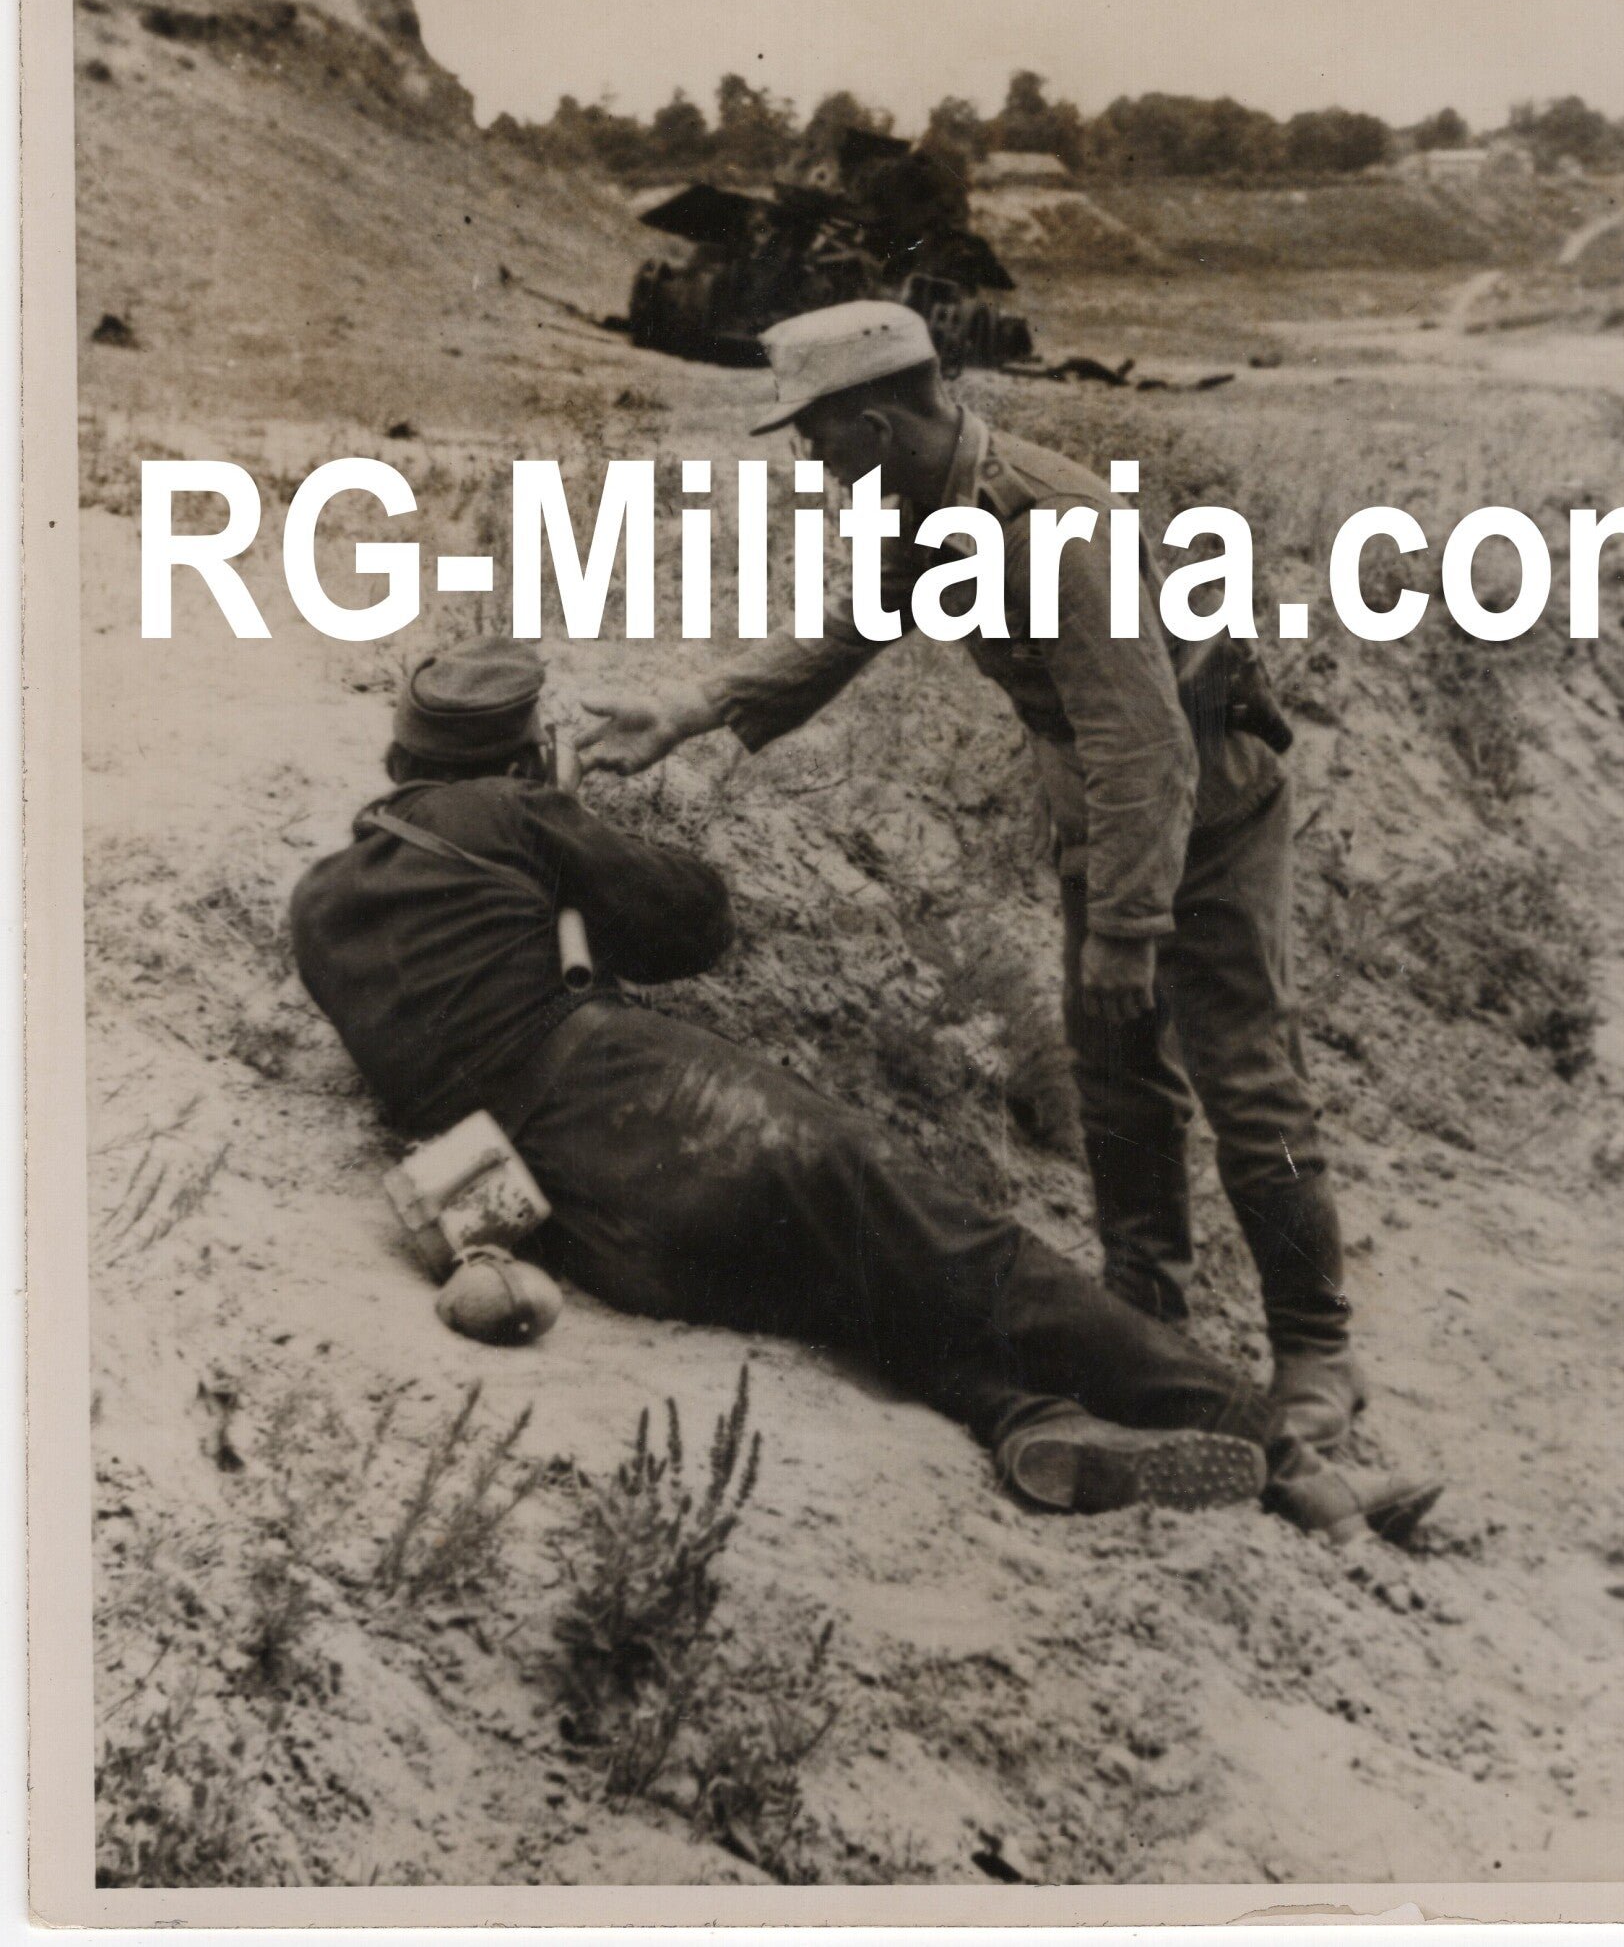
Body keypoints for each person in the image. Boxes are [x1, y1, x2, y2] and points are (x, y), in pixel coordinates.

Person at [290, 637, 1441, 1541]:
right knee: (959, 1245)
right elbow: (697, 919)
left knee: (845, 1289)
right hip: (653, 1105)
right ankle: (1290, 1461)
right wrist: (571, 813)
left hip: (570, 1219)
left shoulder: (321, 901)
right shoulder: (515, 813)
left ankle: (1029, 1417)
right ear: (513, 751)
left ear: (401, 761)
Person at [581, 300, 1407, 1473]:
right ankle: (1145, 1316)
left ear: (872, 423)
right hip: (1105, 812)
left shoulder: (1046, 526)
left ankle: (1319, 1353)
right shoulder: (934, 500)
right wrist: (695, 707)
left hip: (1201, 813)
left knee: (1245, 1077)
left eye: (812, 437)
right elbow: (862, 620)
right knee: (1117, 1079)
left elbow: (1147, 746)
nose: (810, 463)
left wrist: (1128, 926)